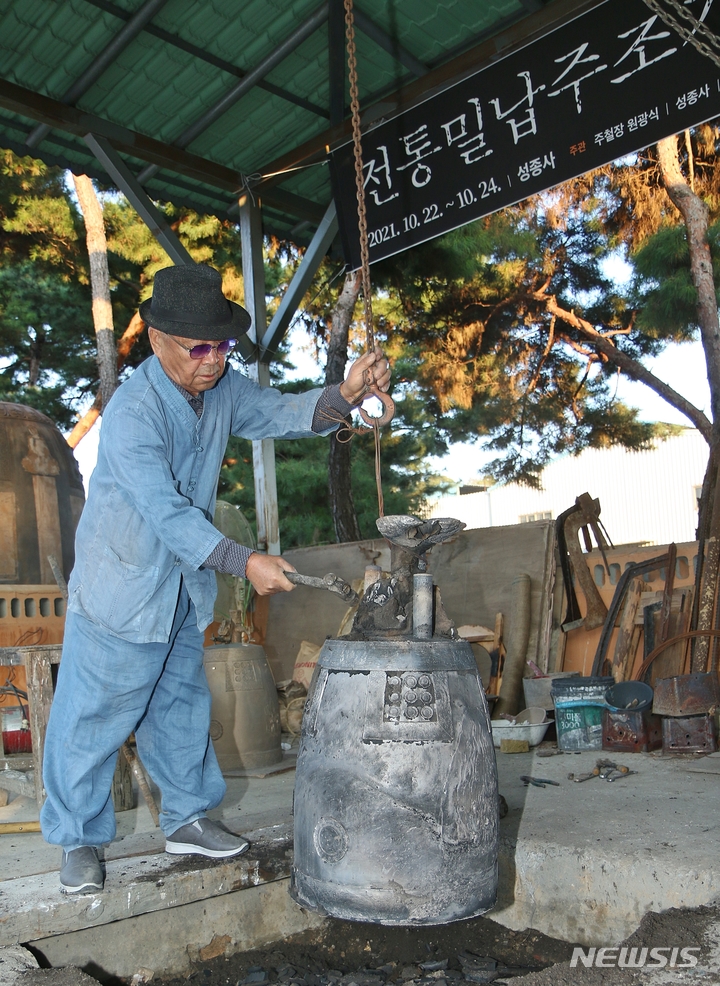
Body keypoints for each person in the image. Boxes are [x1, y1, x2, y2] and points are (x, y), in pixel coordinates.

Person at [40, 263, 391, 894]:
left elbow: (280, 410)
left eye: (223, 346)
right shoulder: (132, 413)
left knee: (180, 705)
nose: (213, 360)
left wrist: (345, 393)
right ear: (155, 340)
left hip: (180, 586)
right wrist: (245, 561)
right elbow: (167, 512)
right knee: (95, 715)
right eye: (198, 348)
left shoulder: (221, 387)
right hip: (122, 585)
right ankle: (78, 840)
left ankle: (187, 818)